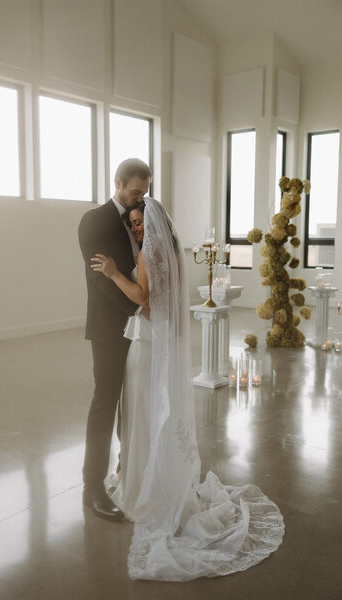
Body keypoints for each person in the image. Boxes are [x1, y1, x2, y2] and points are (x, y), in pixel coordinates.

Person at [90, 197, 285, 581]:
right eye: (132, 224)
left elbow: (144, 299)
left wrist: (114, 273)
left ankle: (142, 488)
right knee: (152, 413)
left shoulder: (148, 253)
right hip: (159, 342)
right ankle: (158, 479)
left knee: (143, 413)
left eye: (139, 222)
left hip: (145, 346)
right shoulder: (174, 254)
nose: (136, 229)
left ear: (154, 223)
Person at [78, 158, 152, 521]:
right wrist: (138, 309)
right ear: (118, 182)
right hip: (110, 326)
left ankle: (128, 467)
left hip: (140, 328)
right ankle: (92, 486)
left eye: (145, 191)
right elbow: (99, 279)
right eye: (136, 190)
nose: (141, 197)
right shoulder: (94, 220)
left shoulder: (142, 216)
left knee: (135, 399)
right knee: (105, 401)